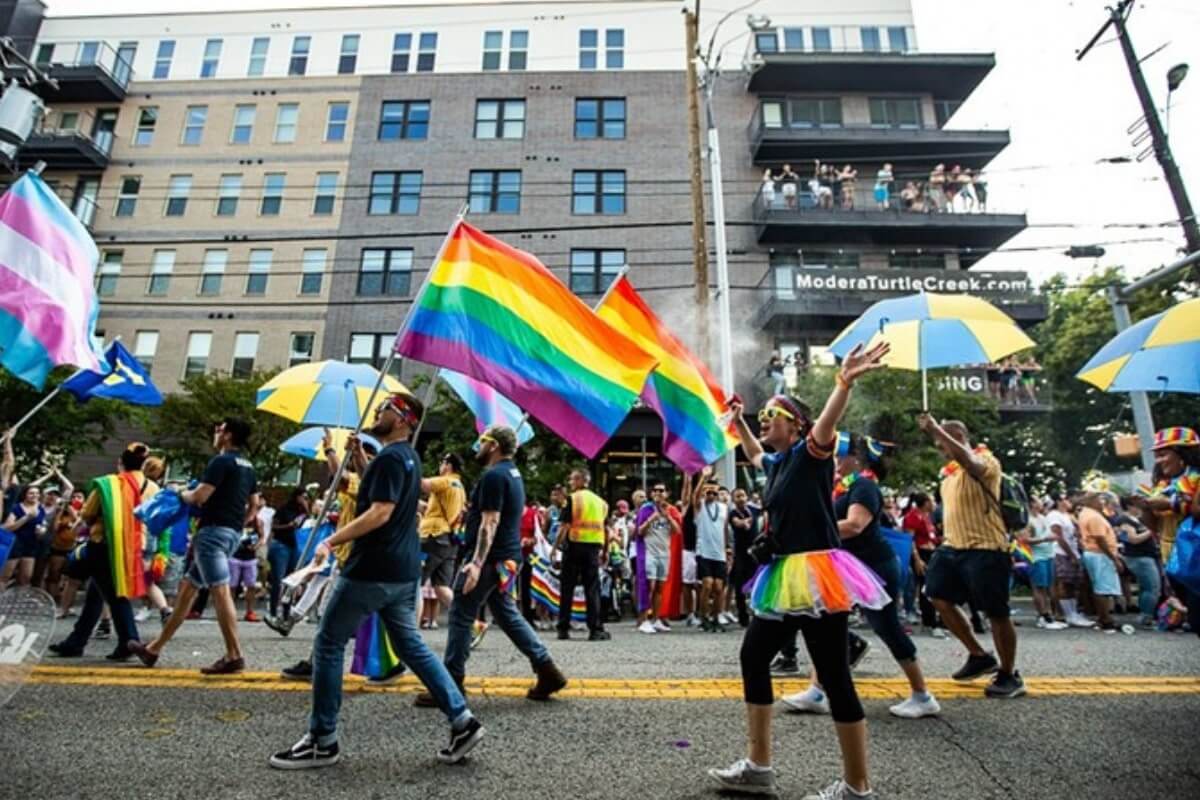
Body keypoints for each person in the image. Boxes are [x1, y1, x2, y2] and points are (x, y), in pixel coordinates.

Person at [709, 342, 890, 800]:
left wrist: (843, 383)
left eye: (773, 415)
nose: (765, 419)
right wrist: (739, 422)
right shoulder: (776, 464)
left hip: (817, 575)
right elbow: (753, 453)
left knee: (833, 674)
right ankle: (758, 767)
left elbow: (826, 425)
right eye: (763, 415)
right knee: (754, 657)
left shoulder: (812, 455)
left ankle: (856, 787)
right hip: (782, 574)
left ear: (797, 426)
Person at [267, 392, 484, 768]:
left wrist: (331, 541)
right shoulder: (407, 458)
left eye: (385, 408)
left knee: (329, 642)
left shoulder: (392, 458)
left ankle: (322, 738)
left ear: (402, 420)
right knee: (411, 646)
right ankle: (462, 720)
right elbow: (382, 486)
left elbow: (382, 510)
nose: (378, 412)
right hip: (402, 570)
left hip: (372, 568)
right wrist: (358, 456)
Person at [781, 435, 940, 720]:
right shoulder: (841, 488)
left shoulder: (864, 486)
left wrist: (810, 531)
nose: (834, 461)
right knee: (826, 622)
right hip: (847, 567)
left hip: (874, 568)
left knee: (887, 626)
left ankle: (923, 695)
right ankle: (817, 691)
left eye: (838, 455)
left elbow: (855, 525)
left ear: (856, 459)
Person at [416, 425, 567, 706]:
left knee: (461, 612)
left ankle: (451, 685)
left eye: (482, 441)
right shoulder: (512, 473)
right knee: (506, 613)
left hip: (489, 560)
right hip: (507, 559)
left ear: (494, 445)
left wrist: (475, 564)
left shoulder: (494, 476)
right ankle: (547, 670)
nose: (478, 446)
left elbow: (491, 522)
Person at [129, 417, 260, 675]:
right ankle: (153, 649)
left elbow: (200, 496)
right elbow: (254, 505)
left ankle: (234, 655)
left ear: (229, 435)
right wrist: (236, 525)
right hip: (231, 533)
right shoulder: (248, 466)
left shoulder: (220, 461)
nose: (215, 432)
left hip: (211, 533)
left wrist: (178, 493)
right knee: (188, 590)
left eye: (220, 429)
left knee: (220, 591)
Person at [917, 414, 1024, 698]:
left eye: (944, 442)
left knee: (996, 612)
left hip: (986, 547)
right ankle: (978, 654)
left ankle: (1009, 673)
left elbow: (970, 462)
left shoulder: (986, 461)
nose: (941, 448)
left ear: (959, 437)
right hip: (952, 548)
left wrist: (937, 429)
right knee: (936, 594)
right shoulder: (948, 475)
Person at [47, 443, 157, 660]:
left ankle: (128, 642)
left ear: (120, 463)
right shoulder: (152, 487)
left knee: (114, 595)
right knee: (97, 594)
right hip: (134, 545)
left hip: (104, 544)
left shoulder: (108, 484)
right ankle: (76, 642)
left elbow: (87, 514)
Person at [554, 467, 611, 641]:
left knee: (567, 588)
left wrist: (555, 547)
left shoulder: (572, 499)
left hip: (573, 547)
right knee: (592, 589)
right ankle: (595, 629)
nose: (570, 483)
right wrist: (606, 550)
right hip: (593, 549)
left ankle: (563, 628)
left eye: (572, 479)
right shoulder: (601, 502)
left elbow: (564, 526)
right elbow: (606, 529)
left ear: (580, 480)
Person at [419, 453, 467, 628]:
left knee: (414, 582)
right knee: (442, 587)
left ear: (448, 465)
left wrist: (408, 467)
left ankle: (409, 629)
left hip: (433, 536)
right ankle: (470, 622)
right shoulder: (459, 486)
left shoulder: (445, 481)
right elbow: (432, 509)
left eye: (442, 462)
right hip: (449, 540)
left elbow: (424, 484)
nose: (440, 466)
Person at [1107, 494, 1161, 627]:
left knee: (1146, 587)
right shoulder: (1125, 519)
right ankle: (1146, 616)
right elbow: (1133, 539)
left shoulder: (1135, 519)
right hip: (1139, 557)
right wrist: (1151, 532)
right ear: (1130, 506)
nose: (1141, 506)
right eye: (1138, 504)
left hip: (1145, 556)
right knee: (1153, 587)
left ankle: (1144, 614)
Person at [635, 481, 681, 634]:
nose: (658, 493)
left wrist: (668, 518)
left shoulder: (670, 510)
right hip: (650, 552)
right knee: (649, 585)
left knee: (660, 587)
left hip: (664, 552)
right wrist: (652, 519)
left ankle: (656, 618)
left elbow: (677, 531)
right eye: (655, 490)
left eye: (661, 491)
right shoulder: (646, 509)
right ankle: (644, 619)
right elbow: (639, 531)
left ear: (667, 494)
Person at [1076, 493, 1125, 633]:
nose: (1102, 502)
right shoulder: (1093, 516)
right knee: (1103, 588)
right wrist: (1114, 558)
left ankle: (1103, 618)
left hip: (1094, 553)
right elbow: (1100, 539)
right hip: (1100, 554)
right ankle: (1106, 619)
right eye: (1099, 499)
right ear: (1091, 501)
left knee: (1100, 586)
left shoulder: (1086, 513)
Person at [902, 492, 945, 637]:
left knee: (933, 587)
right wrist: (917, 559)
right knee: (926, 588)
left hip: (932, 553)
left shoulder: (927, 517)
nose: (934, 503)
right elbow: (910, 539)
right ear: (925, 502)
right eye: (931, 500)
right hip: (921, 555)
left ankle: (936, 620)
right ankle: (929, 622)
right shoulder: (912, 517)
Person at [1046, 494, 1090, 627]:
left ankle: (1073, 612)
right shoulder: (1054, 515)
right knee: (1064, 584)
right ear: (1059, 501)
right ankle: (1068, 614)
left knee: (1072, 584)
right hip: (1061, 553)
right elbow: (1058, 536)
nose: (1069, 502)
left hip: (1073, 551)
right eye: (1066, 499)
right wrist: (1070, 555)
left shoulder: (1066, 515)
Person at [1022, 497, 1067, 630]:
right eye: (1037, 500)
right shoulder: (1027, 520)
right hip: (1036, 556)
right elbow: (1025, 539)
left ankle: (1049, 615)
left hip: (1048, 554)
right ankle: (1042, 616)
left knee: (1047, 586)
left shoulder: (1042, 517)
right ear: (1032, 504)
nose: (1041, 502)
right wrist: (1045, 539)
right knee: (1038, 587)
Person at [692, 477, 729, 632]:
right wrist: (703, 479)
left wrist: (727, 548)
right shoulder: (699, 507)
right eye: (708, 493)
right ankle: (703, 616)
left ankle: (716, 617)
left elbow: (725, 528)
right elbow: (694, 497)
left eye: (714, 493)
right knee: (707, 585)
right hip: (704, 551)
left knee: (719, 587)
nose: (711, 496)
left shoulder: (723, 508)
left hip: (719, 552)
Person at [268, 488, 309, 618]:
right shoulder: (284, 509)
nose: (304, 499)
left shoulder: (302, 512)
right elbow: (273, 527)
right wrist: (289, 526)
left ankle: (286, 611)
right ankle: (273, 610)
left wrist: (306, 508)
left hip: (295, 546)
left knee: (292, 580)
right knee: (278, 579)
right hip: (281, 545)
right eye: (303, 497)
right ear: (296, 496)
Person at [2, 483, 46, 586]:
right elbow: (8, 528)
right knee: (5, 576)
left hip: (31, 545)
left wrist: (42, 531)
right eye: (31, 493)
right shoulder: (16, 508)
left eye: (37, 493)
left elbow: (42, 524)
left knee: (26, 577)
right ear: (25, 495)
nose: (34, 495)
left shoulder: (40, 508)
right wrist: (26, 518)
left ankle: (19, 600)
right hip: (15, 544)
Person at [728, 488, 760, 628]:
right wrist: (747, 521)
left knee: (757, 582)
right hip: (740, 553)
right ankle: (743, 615)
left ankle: (757, 612)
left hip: (754, 552)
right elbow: (738, 523)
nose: (741, 498)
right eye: (737, 496)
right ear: (733, 499)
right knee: (740, 585)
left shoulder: (753, 510)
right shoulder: (733, 513)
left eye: (743, 495)